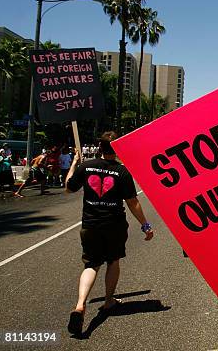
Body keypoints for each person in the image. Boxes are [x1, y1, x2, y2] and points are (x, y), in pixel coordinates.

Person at [65, 131, 154, 336]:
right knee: (113, 261)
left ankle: (80, 306)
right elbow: (132, 202)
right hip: (114, 225)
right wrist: (145, 225)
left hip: (90, 225)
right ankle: (108, 301)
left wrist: (74, 164)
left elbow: (69, 188)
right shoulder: (122, 172)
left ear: (99, 147)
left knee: (91, 264)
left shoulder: (85, 167)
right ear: (117, 149)